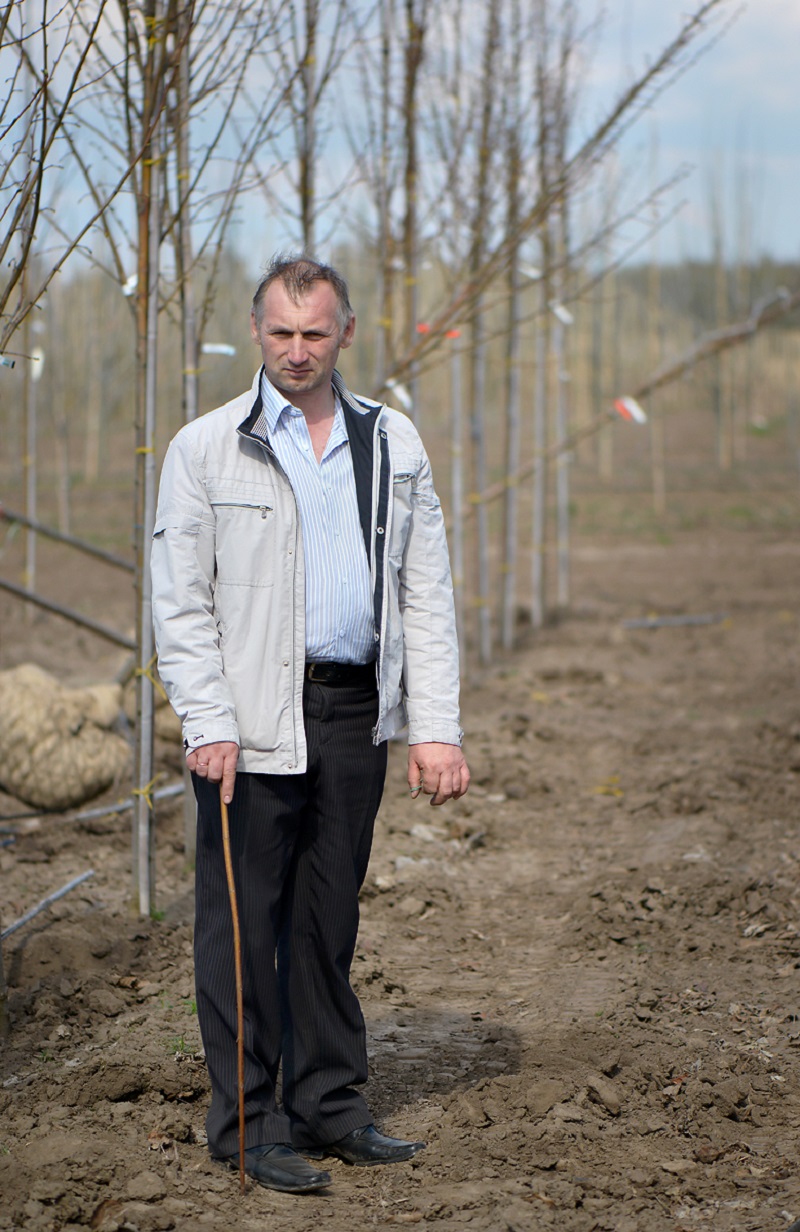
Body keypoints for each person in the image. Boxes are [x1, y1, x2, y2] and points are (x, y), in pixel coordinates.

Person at [151, 254, 469, 1195]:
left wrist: (436, 727)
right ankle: (250, 1125)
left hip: (354, 712)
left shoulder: (391, 441)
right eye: (282, 333)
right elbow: (182, 604)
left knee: (328, 921)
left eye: (315, 334)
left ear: (346, 334)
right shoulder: (206, 449)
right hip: (246, 724)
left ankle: (331, 1105)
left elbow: (425, 589)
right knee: (244, 928)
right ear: (257, 331)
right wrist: (206, 720)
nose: (298, 351)